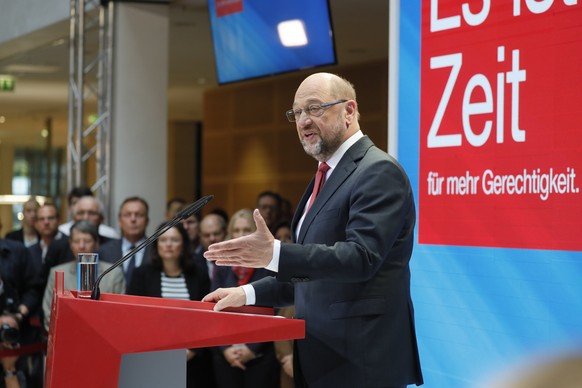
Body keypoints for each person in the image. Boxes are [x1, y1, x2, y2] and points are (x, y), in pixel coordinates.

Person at [203, 73, 423, 388]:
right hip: (322, 358)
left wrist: (276, 253)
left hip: (361, 362)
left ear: (349, 111)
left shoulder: (377, 171)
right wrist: (247, 293)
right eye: (297, 113)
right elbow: (312, 275)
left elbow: (360, 258)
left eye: (315, 108)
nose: (303, 120)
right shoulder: (325, 176)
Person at [126, 223, 215, 388]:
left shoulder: (199, 275)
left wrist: (192, 351)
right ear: (156, 245)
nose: (168, 244)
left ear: (184, 245)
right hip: (150, 357)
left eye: (174, 240)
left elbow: (207, 318)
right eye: (163, 240)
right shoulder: (141, 274)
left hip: (192, 359)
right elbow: (134, 319)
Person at [210, 209, 279, 388]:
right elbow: (213, 309)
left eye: (247, 230)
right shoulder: (221, 266)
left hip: (261, 354)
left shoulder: (268, 265)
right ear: (230, 234)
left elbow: (275, 310)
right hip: (226, 355)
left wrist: (252, 348)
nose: (241, 235)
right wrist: (226, 349)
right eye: (237, 230)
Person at [42, 221, 125, 331]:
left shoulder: (113, 273)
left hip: (104, 336)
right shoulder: (57, 272)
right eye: (76, 241)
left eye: (87, 241)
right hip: (67, 337)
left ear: (96, 243)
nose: (81, 246)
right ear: (70, 244)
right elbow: (49, 311)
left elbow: (119, 311)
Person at [98, 197, 151, 285]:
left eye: (138, 215)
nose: (133, 219)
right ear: (119, 221)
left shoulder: (156, 250)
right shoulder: (105, 251)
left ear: (147, 221)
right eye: (127, 215)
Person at [197, 214, 227, 282]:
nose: (212, 238)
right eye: (206, 235)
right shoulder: (194, 263)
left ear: (225, 232)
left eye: (216, 233)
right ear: (200, 236)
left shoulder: (236, 260)